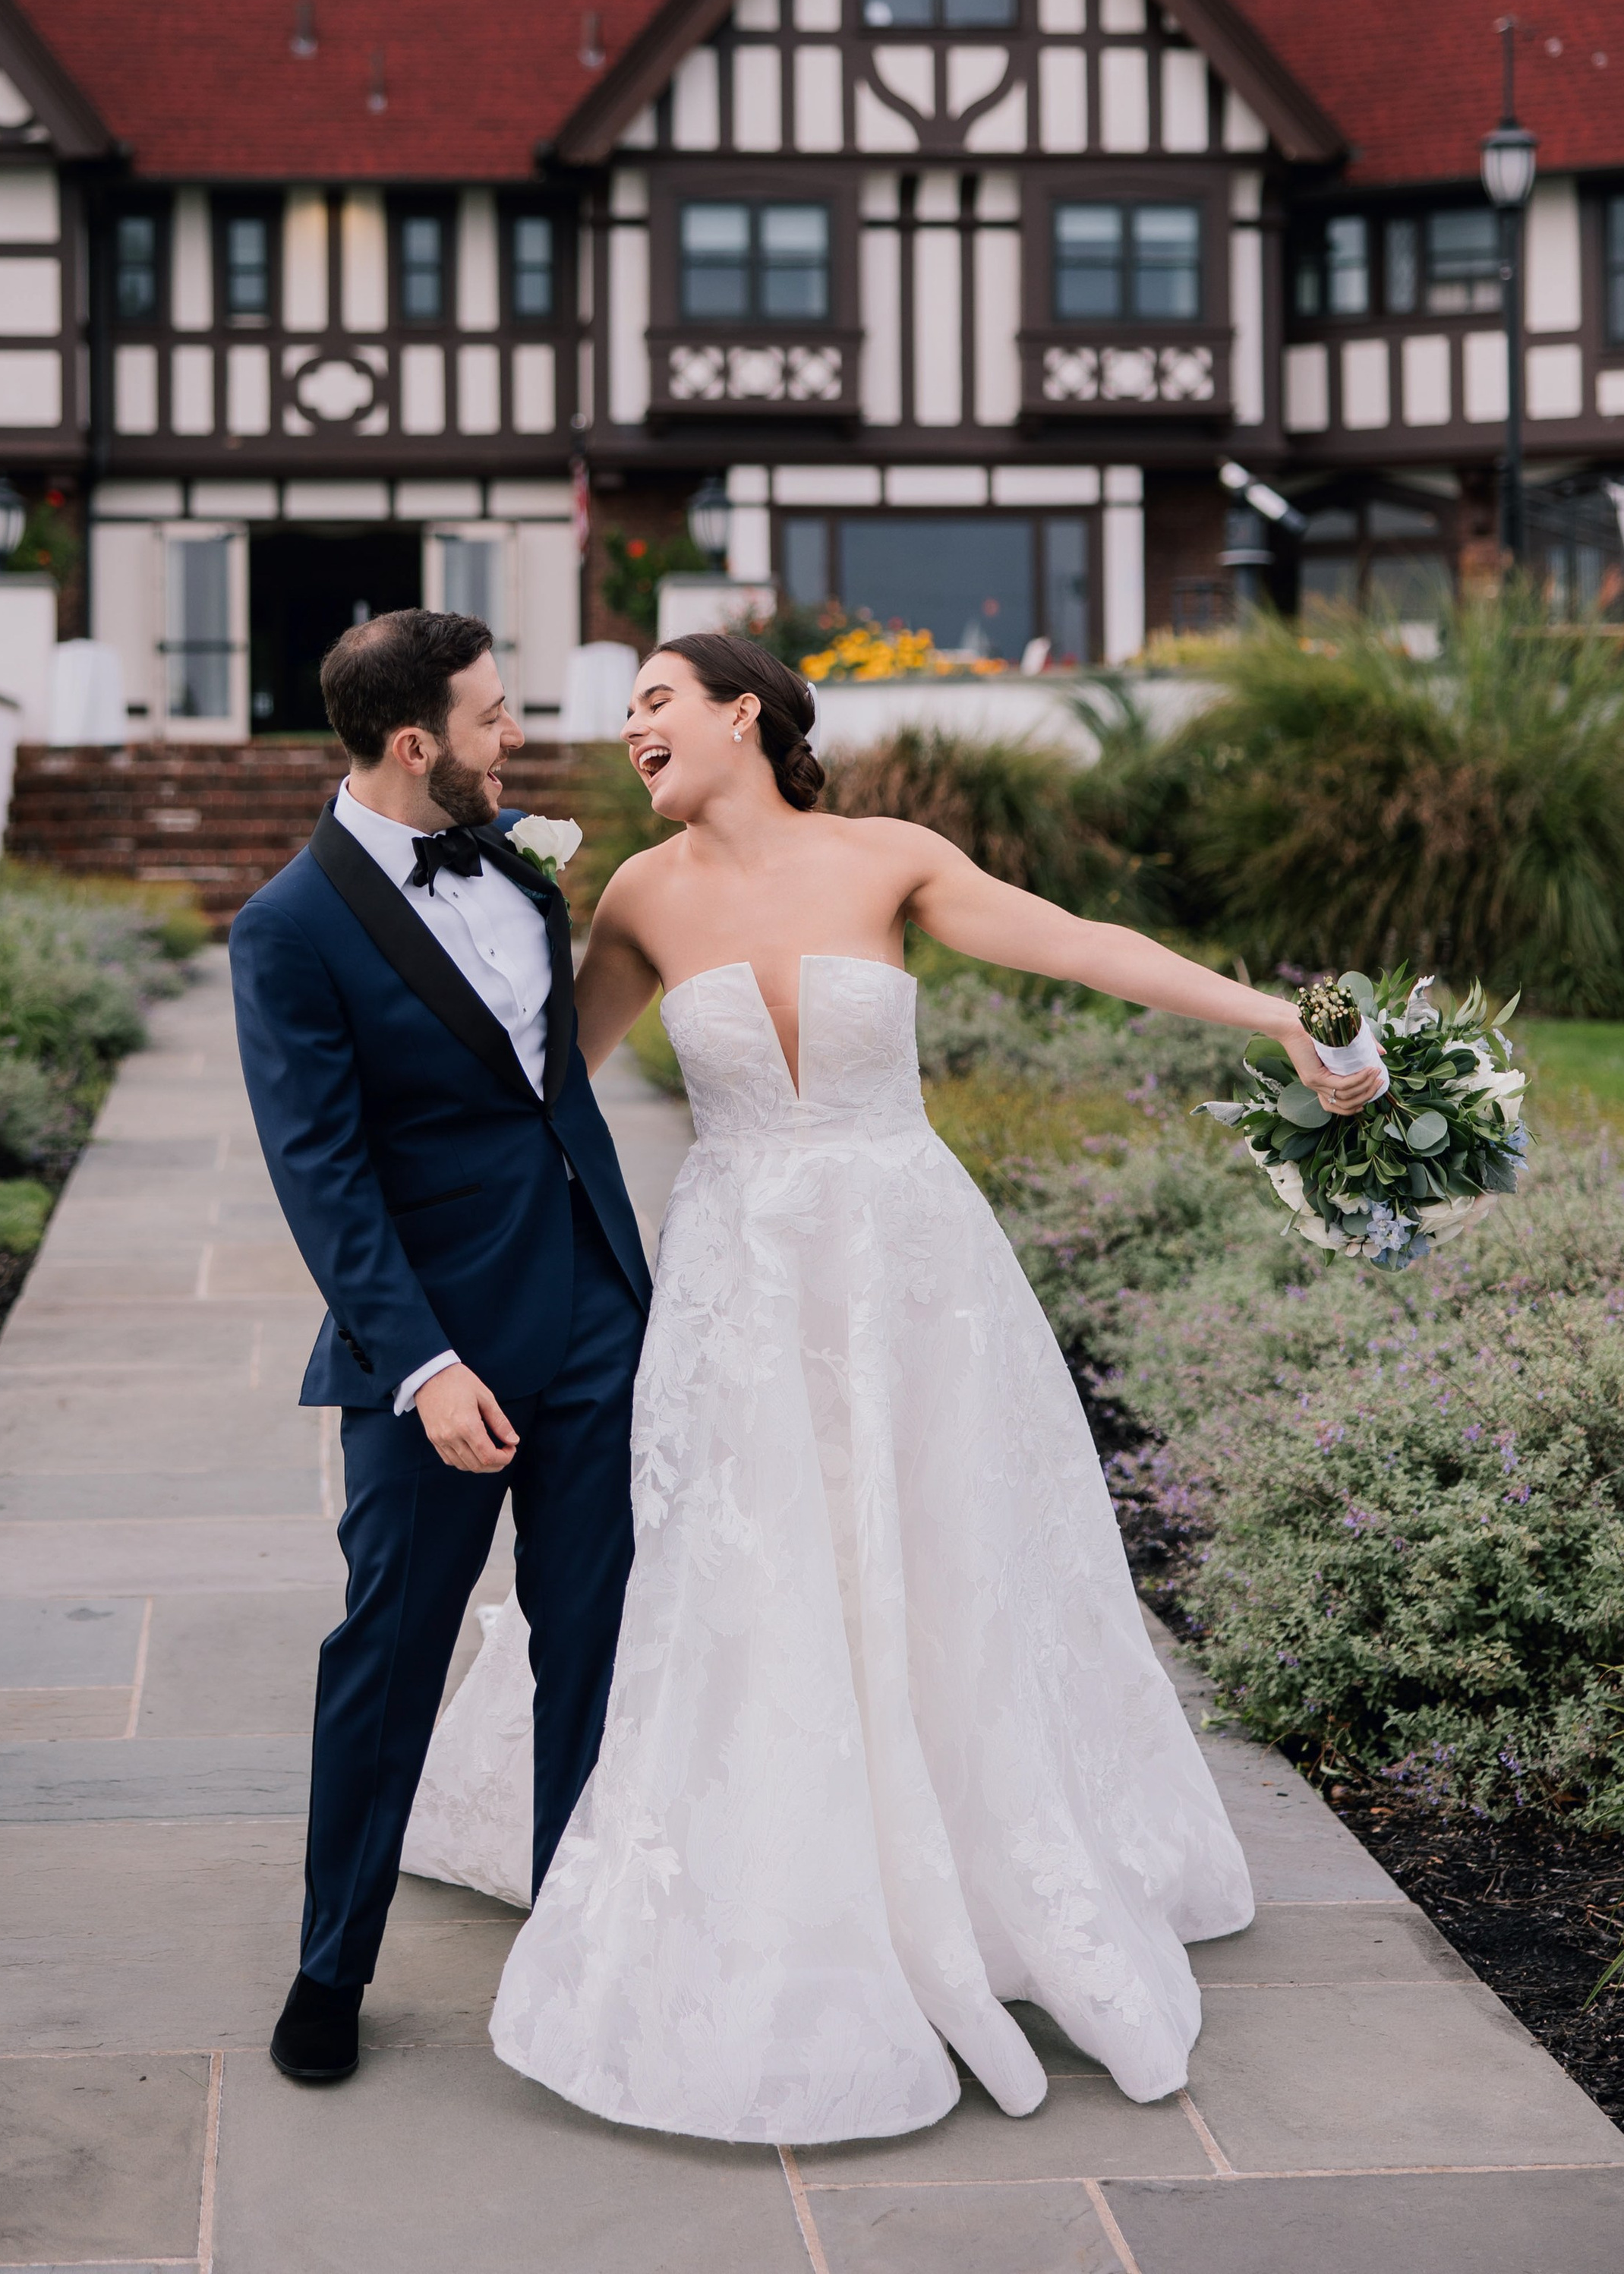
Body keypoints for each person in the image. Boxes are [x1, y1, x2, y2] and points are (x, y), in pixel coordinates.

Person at [407, 630, 1383, 2146]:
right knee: (749, 1562)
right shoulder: (638, 897)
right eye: (623, 712)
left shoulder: (886, 857)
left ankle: (980, 1849)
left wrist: (1278, 1022)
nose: (629, 728)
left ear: (743, 712)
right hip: (740, 1279)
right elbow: (534, 1086)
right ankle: (787, 1862)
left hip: (909, 1270)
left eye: (655, 698)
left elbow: (1073, 941)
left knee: (942, 1548)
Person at [228, 608, 651, 2086]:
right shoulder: (285, 931)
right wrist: (419, 1364)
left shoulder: (514, 860)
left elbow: (544, 1081)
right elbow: (320, 1172)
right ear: (414, 746)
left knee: (591, 1645)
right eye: (490, 716)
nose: (515, 733)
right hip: (435, 1355)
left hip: (595, 1301)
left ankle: (579, 1951)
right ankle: (330, 1963)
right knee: (389, 1655)